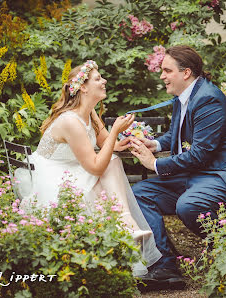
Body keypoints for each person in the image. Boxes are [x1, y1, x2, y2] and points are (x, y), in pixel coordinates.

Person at [129, 45, 226, 289]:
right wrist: (154, 144)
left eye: (167, 70)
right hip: (198, 174)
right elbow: (176, 134)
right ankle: (165, 267)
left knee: (189, 206)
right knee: (139, 194)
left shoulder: (208, 98)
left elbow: (200, 154)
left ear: (186, 72)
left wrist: (155, 164)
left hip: (222, 173)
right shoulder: (184, 96)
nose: (162, 76)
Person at [15, 60, 162, 276]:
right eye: (97, 78)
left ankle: (124, 226)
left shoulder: (90, 113)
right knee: (105, 171)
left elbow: (108, 145)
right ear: (83, 87)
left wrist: (127, 139)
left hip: (72, 168)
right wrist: (114, 133)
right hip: (51, 175)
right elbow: (95, 166)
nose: (104, 81)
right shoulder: (70, 121)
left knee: (113, 160)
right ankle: (122, 231)